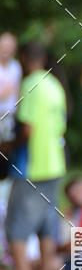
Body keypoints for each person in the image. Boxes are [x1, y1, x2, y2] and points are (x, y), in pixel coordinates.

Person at [5, 42, 66, 270]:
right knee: (46, 224)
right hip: (55, 163)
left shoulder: (30, 84)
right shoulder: (54, 85)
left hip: (31, 166)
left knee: (16, 226)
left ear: (24, 59)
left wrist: (8, 145)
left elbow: (27, 128)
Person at [0, 32, 22, 183]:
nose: (6, 50)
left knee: (7, 151)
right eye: (4, 47)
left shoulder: (16, 66)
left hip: (10, 117)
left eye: (10, 47)